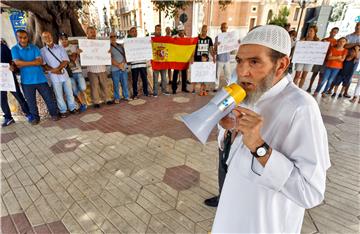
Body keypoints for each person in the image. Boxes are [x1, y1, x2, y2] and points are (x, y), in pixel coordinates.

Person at [212, 25, 330, 233]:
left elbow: (310, 193)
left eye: (254, 62)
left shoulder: (301, 108)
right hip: (230, 217)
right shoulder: (249, 95)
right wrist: (229, 130)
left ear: (281, 64)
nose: (242, 72)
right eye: (239, 61)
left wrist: (259, 147)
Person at [11, 30, 59, 125]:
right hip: (26, 82)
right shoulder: (14, 49)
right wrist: (32, 62)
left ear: (28, 37)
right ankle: (36, 118)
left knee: (49, 98)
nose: (23, 40)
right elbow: (17, 63)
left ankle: (54, 114)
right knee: (31, 102)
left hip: (41, 79)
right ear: (17, 38)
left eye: (25, 37)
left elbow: (40, 62)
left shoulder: (34, 47)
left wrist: (22, 63)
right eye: (20, 37)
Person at [41, 31, 78, 117]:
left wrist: (58, 69)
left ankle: (72, 108)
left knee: (69, 93)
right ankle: (63, 111)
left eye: (49, 36)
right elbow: (44, 64)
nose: (48, 38)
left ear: (52, 37)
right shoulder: (42, 51)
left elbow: (65, 60)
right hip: (53, 77)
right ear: (43, 39)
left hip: (64, 74)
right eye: (45, 37)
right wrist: (54, 71)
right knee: (59, 95)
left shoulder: (60, 48)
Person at [1, 39, 31, 127]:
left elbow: (12, 60)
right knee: (2, 99)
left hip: (8, 77)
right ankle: (8, 118)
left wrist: (12, 66)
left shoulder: (3, 47)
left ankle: (28, 113)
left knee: (18, 95)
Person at [85, 26, 113, 108]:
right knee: (94, 87)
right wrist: (80, 52)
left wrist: (108, 52)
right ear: (87, 33)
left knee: (104, 85)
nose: (93, 34)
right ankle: (96, 102)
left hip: (102, 68)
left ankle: (107, 99)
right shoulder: (84, 44)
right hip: (91, 69)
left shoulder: (101, 43)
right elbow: (82, 57)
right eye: (91, 32)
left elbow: (107, 54)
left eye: (94, 32)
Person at [59, 32, 87, 112]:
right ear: (60, 40)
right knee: (75, 89)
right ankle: (83, 104)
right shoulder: (59, 49)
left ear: (68, 40)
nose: (64, 41)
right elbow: (72, 57)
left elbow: (74, 58)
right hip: (67, 73)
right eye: (62, 39)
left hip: (77, 71)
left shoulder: (74, 46)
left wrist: (66, 58)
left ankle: (82, 101)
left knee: (82, 87)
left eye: (65, 39)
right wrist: (71, 56)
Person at [306, 27, 339, 93]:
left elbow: (335, 51)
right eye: (333, 31)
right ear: (330, 31)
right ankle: (309, 87)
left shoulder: (336, 42)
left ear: (336, 33)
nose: (333, 33)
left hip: (326, 61)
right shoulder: (324, 39)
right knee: (314, 74)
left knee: (321, 75)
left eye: (335, 32)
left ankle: (316, 89)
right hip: (319, 59)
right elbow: (318, 48)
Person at [192, 25, 215, 94]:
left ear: (207, 31)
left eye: (206, 31)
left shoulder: (209, 39)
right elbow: (193, 49)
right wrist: (192, 58)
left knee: (204, 75)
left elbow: (211, 49)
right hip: (197, 59)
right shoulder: (196, 39)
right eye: (203, 30)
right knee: (195, 74)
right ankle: (193, 89)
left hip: (205, 60)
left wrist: (213, 57)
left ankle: (203, 89)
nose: (204, 32)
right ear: (201, 30)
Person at [128, 26, 149, 99]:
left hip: (142, 63)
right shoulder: (128, 43)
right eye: (133, 31)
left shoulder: (142, 41)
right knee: (135, 80)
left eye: (135, 31)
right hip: (134, 65)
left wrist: (149, 43)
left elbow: (147, 48)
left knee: (144, 79)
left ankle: (146, 92)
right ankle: (135, 94)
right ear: (130, 33)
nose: (134, 32)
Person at [109, 32, 130, 103]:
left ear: (116, 37)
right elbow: (109, 58)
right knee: (116, 85)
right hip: (115, 69)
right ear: (109, 38)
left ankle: (126, 96)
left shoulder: (120, 46)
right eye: (111, 36)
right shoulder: (108, 47)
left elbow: (125, 55)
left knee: (125, 83)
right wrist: (118, 65)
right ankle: (117, 98)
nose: (113, 38)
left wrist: (123, 64)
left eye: (114, 36)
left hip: (123, 67)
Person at [342, 22, 360, 97]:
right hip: (346, 58)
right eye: (357, 27)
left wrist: (352, 46)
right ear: (355, 27)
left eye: (359, 27)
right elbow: (345, 46)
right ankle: (332, 90)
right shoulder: (349, 36)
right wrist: (356, 44)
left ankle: (345, 92)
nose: (358, 28)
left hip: (356, 60)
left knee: (350, 76)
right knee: (341, 74)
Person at [152, 25, 170, 97]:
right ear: (155, 30)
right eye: (157, 29)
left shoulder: (164, 39)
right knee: (155, 79)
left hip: (163, 62)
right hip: (155, 62)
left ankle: (164, 90)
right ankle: (155, 92)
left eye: (160, 30)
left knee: (164, 78)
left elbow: (171, 40)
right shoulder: (151, 39)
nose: (158, 31)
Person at [172, 24, 190, 94]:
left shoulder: (186, 38)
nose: (181, 32)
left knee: (184, 73)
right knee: (175, 73)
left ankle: (184, 88)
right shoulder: (174, 37)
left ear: (184, 31)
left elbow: (189, 47)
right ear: (178, 31)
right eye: (180, 31)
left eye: (182, 31)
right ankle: (174, 89)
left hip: (184, 59)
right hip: (176, 58)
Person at [214, 22, 231, 91]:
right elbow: (214, 49)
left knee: (228, 74)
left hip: (227, 59)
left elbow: (233, 47)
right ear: (221, 28)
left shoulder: (230, 37)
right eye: (223, 27)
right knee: (217, 75)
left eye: (225, 27)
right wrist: (216, 45)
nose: (224, 28)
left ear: (227, 28)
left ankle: (229, 86)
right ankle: (216, 86)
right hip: (220, 59)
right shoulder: (217, 37)